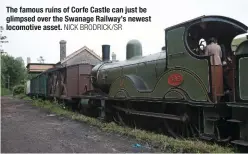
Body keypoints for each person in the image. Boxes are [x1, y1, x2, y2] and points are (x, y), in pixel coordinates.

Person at [205, 37, 224, 102]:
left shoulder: (207, 47)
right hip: (218, 63)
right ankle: (219, 95)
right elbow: (221, 55)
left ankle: (213, 95)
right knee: (219, 80)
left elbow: (206, 56)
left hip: (211, 64)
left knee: (212, 80)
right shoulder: (218, 46)